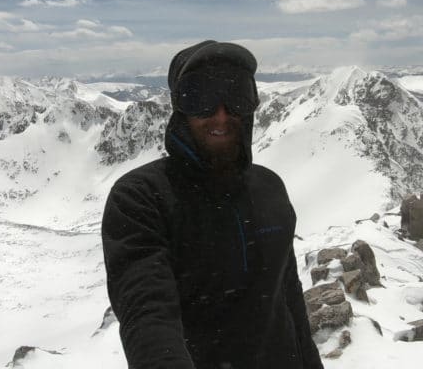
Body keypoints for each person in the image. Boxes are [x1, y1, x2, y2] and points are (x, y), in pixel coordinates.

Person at [101, 40, 323, 369]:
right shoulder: (141, 198)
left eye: (236, 97)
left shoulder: (270, 189)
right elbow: (147, 314)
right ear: (180, 108)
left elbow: (288, 299)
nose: (220, 115)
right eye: (199, 98)